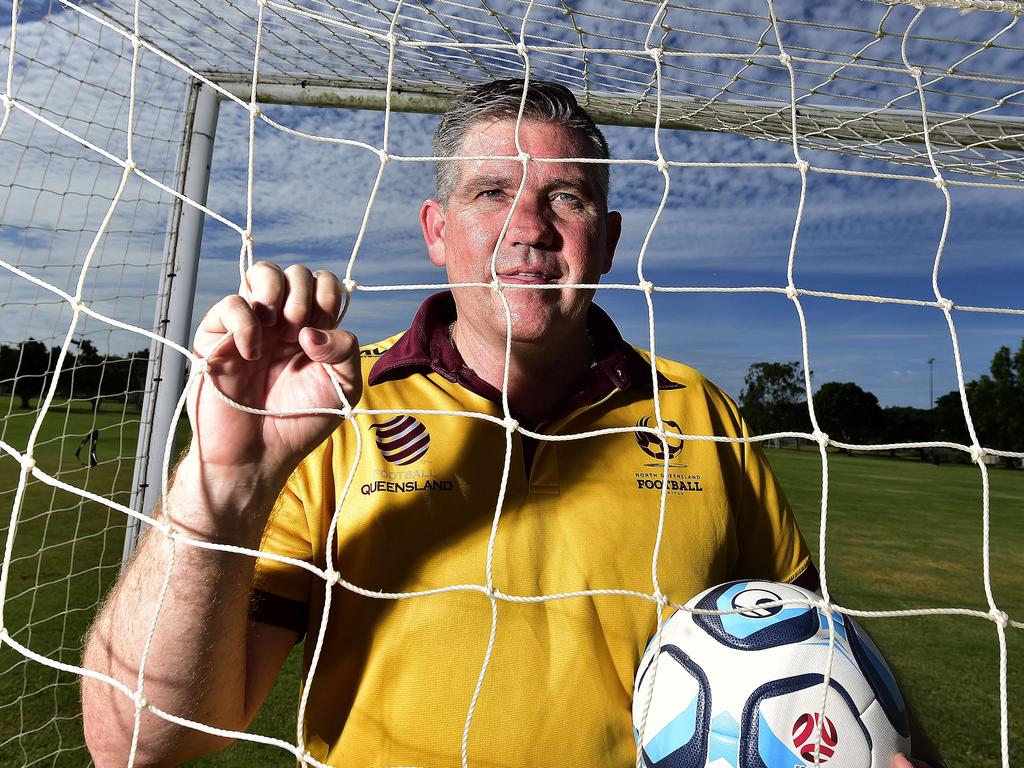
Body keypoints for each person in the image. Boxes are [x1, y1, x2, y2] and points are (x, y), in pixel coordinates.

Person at [81, 80, 939, 768]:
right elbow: (139, 744)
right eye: (492, 191)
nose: (528, 229)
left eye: (564, 198)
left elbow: (816, 651)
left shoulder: (700, 412)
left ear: (604, 242)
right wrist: (224, 481)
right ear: (436, 230)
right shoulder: (337, 407)